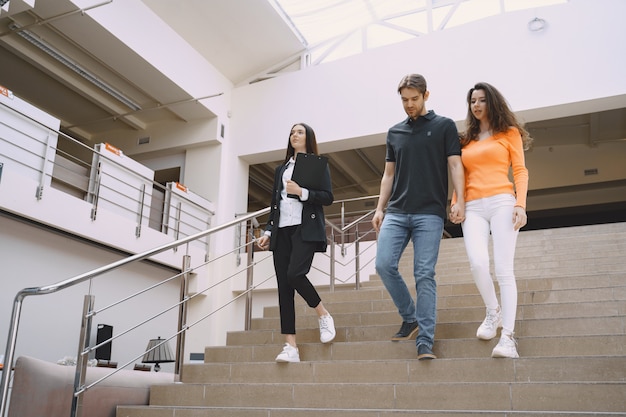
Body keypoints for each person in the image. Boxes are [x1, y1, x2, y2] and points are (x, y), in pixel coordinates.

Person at [372, 74, 465, 360]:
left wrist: (460, 199)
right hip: (397, 211)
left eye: (414, 99)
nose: (409, 105)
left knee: (424, 274)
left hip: (429, 213)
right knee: (384, 265)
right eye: (404, 100)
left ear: (426, 95)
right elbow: (389, 174)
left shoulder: (444, 126)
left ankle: (425, 340)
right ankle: (409, 316)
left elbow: (455, 165)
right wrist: (379, 208)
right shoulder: (395, 132)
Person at [450, 82, 532, 358]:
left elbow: (520, 171)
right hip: (472, 206)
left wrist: (520, 204)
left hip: (502, 202)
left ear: (492, 103)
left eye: (482, 100)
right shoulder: (465, 139)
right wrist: (455, 202)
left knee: (504, 270)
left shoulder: (509, 133)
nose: (476, 105)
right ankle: (492, 311)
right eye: (472, 100)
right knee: (477, 262)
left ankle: (508, 337)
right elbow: (459, 175)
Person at [256, 122, 336, 363]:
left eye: (299, 132)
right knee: (284, 288)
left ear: (308, 137)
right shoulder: (281, 169)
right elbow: (275, 203)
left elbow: (328, 197)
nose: (294, 135)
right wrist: (268, 231)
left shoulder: (317, 165)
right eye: (292, 132)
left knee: (295, 274)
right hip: (281, 232)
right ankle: (290, 346)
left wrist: (302, 192)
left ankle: (322, 314)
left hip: (305, 228)